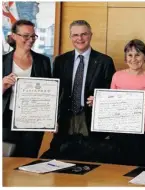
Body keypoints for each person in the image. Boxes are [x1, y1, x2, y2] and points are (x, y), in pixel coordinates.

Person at [41, 20, 116, 163]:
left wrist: (100, 100)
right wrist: (51, 119)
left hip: (90, 120)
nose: (80, 39)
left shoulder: (104, 61)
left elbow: (112, 94)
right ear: (70, 37)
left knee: (89, 162)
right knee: (60, 161)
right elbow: (54, 93)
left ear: (91, 35)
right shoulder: (60, 61)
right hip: (65, 119)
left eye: (84, 34)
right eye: (75, 35)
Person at [87, 39, 145, 167]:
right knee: (117, 172)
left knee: (139, 171)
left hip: (142, 134)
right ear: (126, 58)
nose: (134, 59)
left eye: (138, 54)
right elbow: (111, 105)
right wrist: (98, 103)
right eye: (130, 55)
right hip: (119, 133)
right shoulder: (117, 76)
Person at [3, 19, 52, 158]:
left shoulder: (43, 61)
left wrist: (51, 119)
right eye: (26, 36)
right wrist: (2, 86)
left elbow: (49, 94)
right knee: (6, 163)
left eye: (33, 36)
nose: (30, 40)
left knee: (28, 160)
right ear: (14, 36)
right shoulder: (2, 61)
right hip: (6, 119)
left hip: (33, 121)